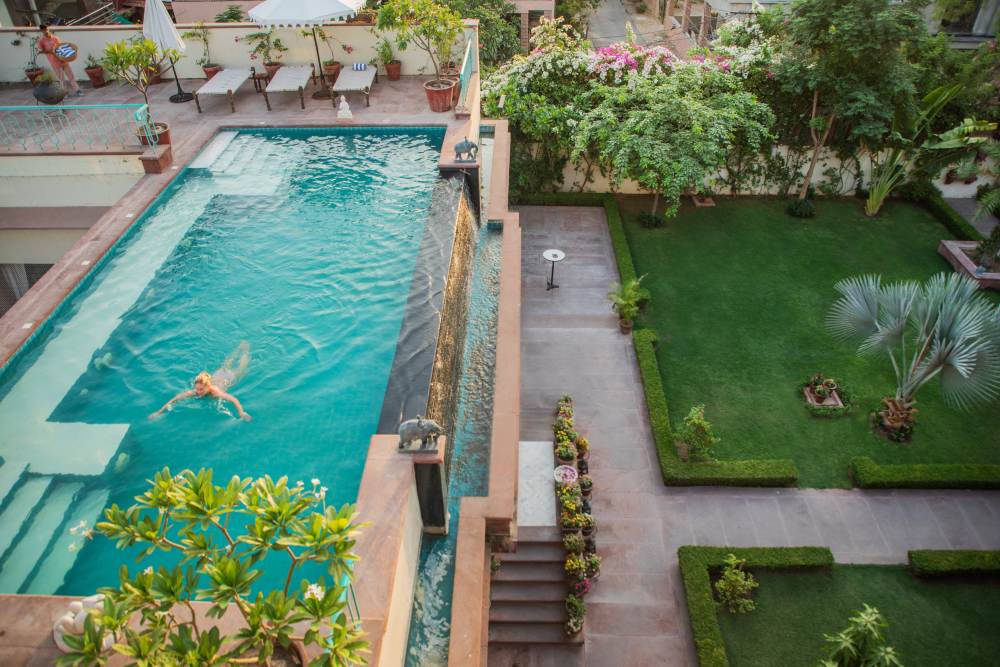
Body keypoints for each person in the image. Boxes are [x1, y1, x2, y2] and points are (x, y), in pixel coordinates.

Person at [150, 342, 252, 421]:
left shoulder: (215, 392)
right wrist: (158, 412)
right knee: (226, 365)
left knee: (240, 369)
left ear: (208, 386)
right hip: (219, 373)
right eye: (197, 389)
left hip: (229, 377)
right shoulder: (195, 391)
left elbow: (233, 399)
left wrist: (241, 412)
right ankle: (239, 347)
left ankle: (245, 350)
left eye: (201, 389)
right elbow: (175, 399)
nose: (198, 392)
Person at [37, 24, 82, 97]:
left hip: (63, 59)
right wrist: (50, 51)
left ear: (48, 29)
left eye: (46, 29)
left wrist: (68, 55)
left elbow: (61, 47)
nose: (45, 31)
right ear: (41, 31)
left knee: (71, 76)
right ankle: (65, 93)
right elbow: (40, 51)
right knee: (61, 79)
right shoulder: (41, 41)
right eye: (43, 30)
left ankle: (77, 90)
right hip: (54, 62)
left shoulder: (55, 38)